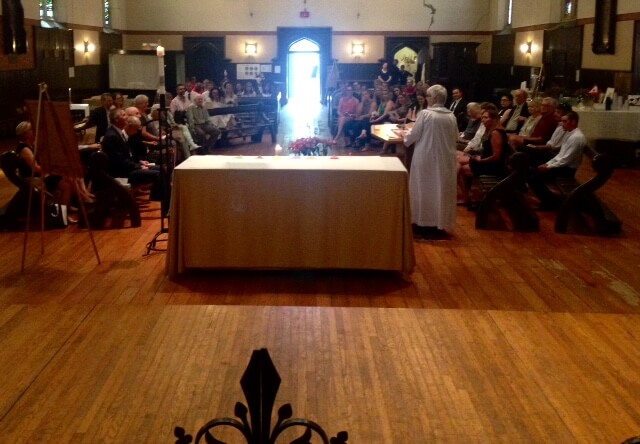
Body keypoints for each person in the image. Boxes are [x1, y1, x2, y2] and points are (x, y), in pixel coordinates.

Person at [403, 84, 458, 240]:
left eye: (427, 96)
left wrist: (406, 135)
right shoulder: (451, 115)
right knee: (440, 189)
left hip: (425, 157)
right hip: (445, 158)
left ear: (433, 98)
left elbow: (413, 135)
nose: (426, 99)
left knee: (424, 188)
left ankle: (422, 223)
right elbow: (455, 137)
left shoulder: (426, 114)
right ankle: (438, 224)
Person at [14, 121, 94, 214]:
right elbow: (35, 168)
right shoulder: (24, 149)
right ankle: (83, 198)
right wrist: (52, 170)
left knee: (67, 185)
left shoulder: (32, 145)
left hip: (43, 174)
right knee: (69, 178)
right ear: (25, 133)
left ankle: (66, 209)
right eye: (31, 129)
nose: (35, 131)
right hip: (35, 178)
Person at [527, 111, 586, 210]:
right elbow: (560, 155)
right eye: (562, 121)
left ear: (573, 122)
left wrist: (548, 167)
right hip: (561, 166)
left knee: (534, 179)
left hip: (566, 170)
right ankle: (550, 200)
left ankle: (550, 202)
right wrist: (547, 164)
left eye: (565, 121)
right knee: (532, 172)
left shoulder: (576, 137)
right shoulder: (570, 133)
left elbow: (566, 159)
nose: (562, 124)